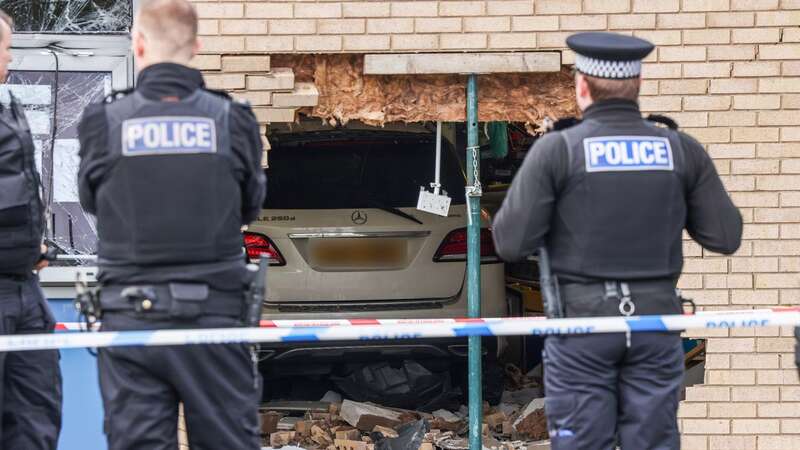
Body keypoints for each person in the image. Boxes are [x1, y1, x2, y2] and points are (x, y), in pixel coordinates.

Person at [492, 32, 743, 450]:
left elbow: (511, 242)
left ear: (582, 86)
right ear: (638, 85)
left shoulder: (559, 150)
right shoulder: (679, 149)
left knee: (582, 442)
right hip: (654, 323)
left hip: (583, 326)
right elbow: (725, 236)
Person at [77, 0, 266, 448]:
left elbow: (90, 200)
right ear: (196, 46)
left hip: (130, 317)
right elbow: (250, 206)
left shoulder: (105, 119)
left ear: (138, 44)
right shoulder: (231, 118)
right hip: (215, 317)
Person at [0, 9, 63, 450]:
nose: (9, 59)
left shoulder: (8, 109)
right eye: (5, 48)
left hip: (24, 288)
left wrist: (33, 245)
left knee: (34, 417)